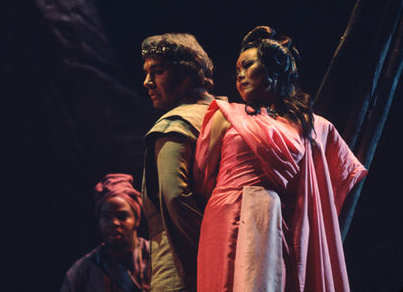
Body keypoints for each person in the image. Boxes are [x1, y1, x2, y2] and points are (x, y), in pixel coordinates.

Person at [193, 26, 368, 291]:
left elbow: (331, 179)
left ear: (273, 72)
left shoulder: (310, 126)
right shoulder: (226, 114)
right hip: (227, 216)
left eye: (248, 65)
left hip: (279, 222)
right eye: (237, 69)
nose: (239, 74)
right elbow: (203, 176)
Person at [141, 33, 217, 292]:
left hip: (182, 271)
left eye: (158, 72)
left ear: (186, 77)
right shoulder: (231, 115)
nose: (147, 82)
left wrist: (207, 251)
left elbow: (174, 196)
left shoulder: (176, 124)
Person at [60, 174, 150, 292]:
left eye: (122, 216)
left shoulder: (158, 257)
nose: (114, 223)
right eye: (106, 217)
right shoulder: (83, 271)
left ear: (137, 219)